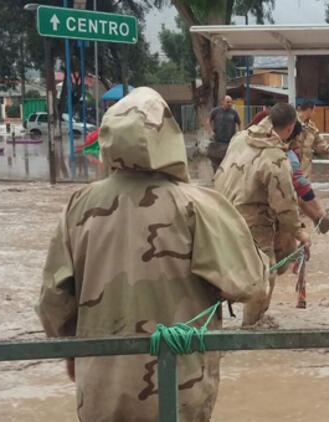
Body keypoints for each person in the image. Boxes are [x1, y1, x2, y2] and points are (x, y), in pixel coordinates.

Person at [36, 87, 270, 422]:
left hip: (101, 384)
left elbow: (53, 301)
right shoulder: (200, 206)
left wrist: (69, 349)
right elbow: (253, 285)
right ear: (169, 139)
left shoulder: (77, 206)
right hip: (179, 386)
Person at [214, 103, 310, 325]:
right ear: (290, 127)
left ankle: (214, 321)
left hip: (219, 211)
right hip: (252, 220)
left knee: (221, 267)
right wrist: (299, 232)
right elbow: (285, 203)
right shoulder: (275, 158)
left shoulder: (239, 138)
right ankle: (252, 327)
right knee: (265, 276)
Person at [297, 100, 329, 178]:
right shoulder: (291, 122)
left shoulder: (311, 127)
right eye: (314, 110)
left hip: (305, 165)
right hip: (292, 163)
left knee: (304, 186)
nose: (314, 113)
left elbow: (319, 141)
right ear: (309, 110)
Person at [205, 95, 241, 172]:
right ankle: (216, 177)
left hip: (230, 141)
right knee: (215, 161)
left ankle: (225, 177)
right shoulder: (215, 111)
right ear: (223, 102)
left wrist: (240, 133)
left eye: (231, 102)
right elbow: (208, 121)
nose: (230, 104)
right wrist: (211, 131)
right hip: (218, 141)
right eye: (228, 102)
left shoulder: (233, 113)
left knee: (229, 161)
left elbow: (239, 123)